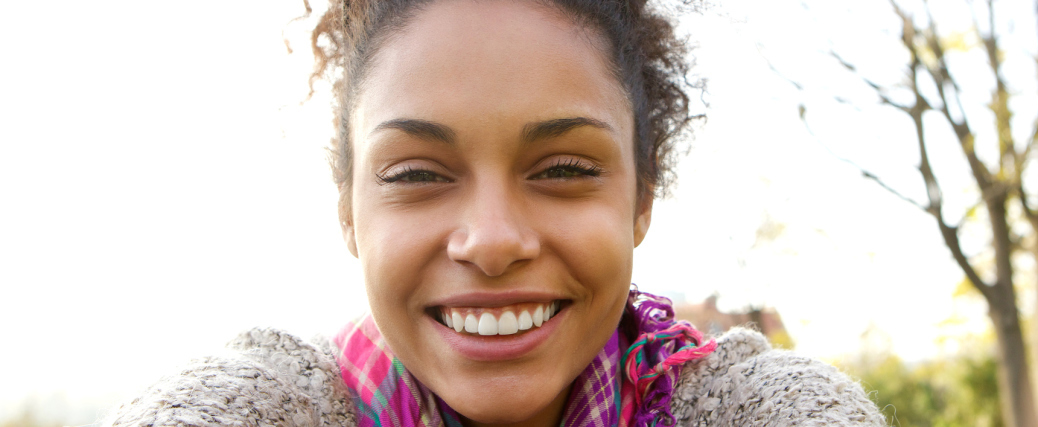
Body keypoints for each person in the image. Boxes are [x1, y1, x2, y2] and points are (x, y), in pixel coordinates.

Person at [102, 0, 886, 425]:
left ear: (641, 197)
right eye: (416, 172)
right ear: (349, 210)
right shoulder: (281, 403)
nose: (493, 239)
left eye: (565, 168)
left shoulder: (736, 408)